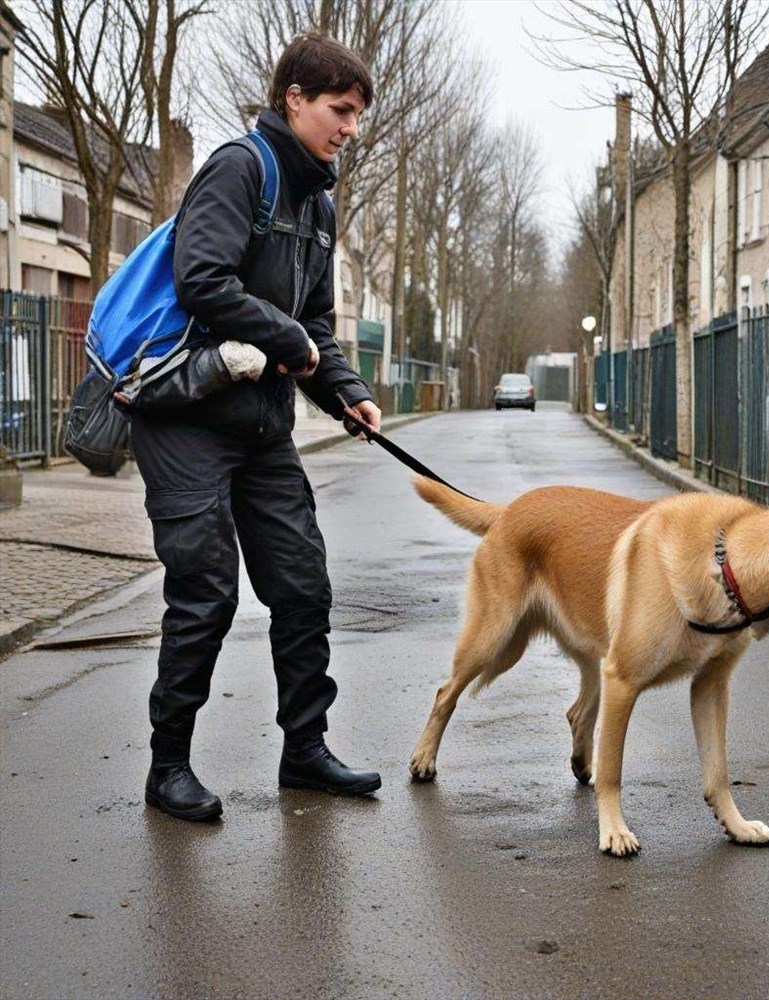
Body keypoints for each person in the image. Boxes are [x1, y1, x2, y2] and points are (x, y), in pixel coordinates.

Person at [131, 33, 382, 821]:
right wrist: (291, 340)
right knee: (205, 591)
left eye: (356, 116)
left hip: (261, 424)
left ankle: (304, 752)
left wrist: (348, 392)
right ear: (294, 98)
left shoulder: (319, 204)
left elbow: (315, 324)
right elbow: (201, 279)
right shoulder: (242, 169)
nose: (348, 128)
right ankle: (167, 766)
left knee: (304, 587)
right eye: (339, 111)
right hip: (185, 418)